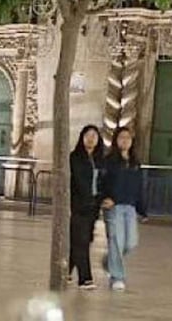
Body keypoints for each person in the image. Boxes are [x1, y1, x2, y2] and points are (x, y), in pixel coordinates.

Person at [99, 125, 146, 292]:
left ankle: (108, 262)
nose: (125, 141)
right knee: (116, 241)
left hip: (130, 207)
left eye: (128, 138)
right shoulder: (108, 161)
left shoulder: (135, 163)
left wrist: (142, 209)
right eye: (121, 137)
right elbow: (101, 183)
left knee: (130, 243)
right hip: (114, 207)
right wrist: (105, 198)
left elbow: (139, 187)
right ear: (115, 140)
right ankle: (117, 277)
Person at [68, 125, 106, 291]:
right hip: (78, 205)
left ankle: (66, 269)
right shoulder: (74, 158)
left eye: (94, 136)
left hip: (93, 207)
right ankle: (85, 278)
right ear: (82, 138)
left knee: (83, 240)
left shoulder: (100, 160)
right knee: (81, 241)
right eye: (88, 135)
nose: (91, 139)